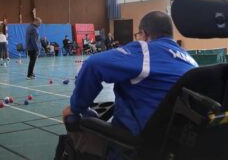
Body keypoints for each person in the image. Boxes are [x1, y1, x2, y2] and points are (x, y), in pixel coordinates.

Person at [62, 11, 198, 159]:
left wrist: (78, 107)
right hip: (172, 146)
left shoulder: (145, 50)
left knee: (69, 118)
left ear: (144, 34)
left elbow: (92, 65)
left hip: (134, 145)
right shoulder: (191, 62)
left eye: (138, 35)